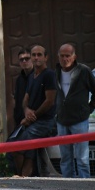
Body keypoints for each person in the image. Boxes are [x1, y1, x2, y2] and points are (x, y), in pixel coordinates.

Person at [13, 45, 57, 177]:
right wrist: (26, 111)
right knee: (22, 149)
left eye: (39, 55)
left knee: (18, 147)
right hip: (32, 122)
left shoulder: (49, 75)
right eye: (34, 55)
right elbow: (25, 99)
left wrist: (33, 116)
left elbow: (50, 101)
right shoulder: (32, 76)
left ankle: (22, 177)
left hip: (45, 122)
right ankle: (24, 178)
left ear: (46, 57)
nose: (36, 57)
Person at [54, 43, 95, 178]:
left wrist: (89, 108)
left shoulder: (83, 71)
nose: (65, 59)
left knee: (82, 159)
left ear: (74, 57)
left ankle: (84, 186)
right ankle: (68, 184)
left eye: (68, 56)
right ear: (58, 57)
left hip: (79, 120)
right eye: (62, 56)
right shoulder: (56, 72)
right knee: (65, 158)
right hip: (62, 120)